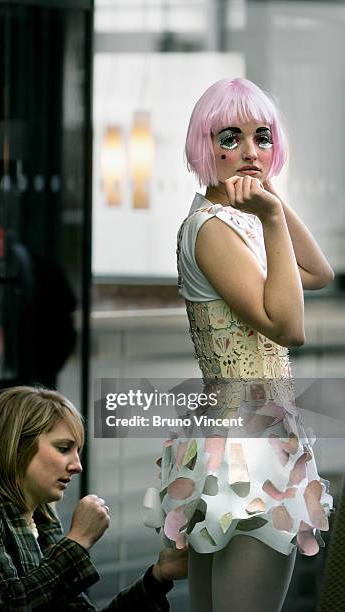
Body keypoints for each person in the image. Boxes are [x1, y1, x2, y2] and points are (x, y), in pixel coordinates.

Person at [143, 78, 334, 612]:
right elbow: (289, 326)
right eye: (231, 137)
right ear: (205, 146)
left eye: (263, 137)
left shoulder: (233, 219)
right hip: (249, 446)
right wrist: (270, 218)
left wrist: (271, 202)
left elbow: (318, 273)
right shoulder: (212, 229)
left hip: (241, 437)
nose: (250, 152)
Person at [0, 386, 187, 610]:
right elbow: (5, 604)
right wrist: (77, 541)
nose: (77, 466)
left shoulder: (45, 525)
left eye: (78, 451)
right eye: (64, 448)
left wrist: (157, 577)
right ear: (17, 446)